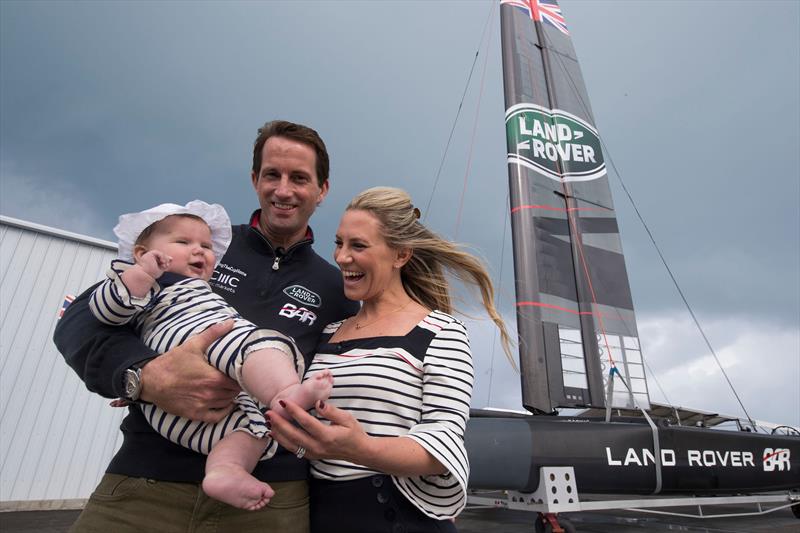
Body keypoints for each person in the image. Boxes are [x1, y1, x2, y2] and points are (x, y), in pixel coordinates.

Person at [53, 120, 359, 532]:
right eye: (272, 174)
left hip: (268, 495)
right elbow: (78, 324)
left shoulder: (338, 288)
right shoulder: (189, 245)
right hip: (146, 484)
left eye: (299, 178)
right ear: (255, 179)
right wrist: (143, 375)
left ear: (322, 190)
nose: (283, 190)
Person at [267, 186, 515, 533]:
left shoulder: (441, 332)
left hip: (398, 516)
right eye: (339, 243)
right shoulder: (328, 332)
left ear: (400, 255)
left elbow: (442, 444)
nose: (341, 257)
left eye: (358, 245)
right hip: (319, 513)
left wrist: (361, 448)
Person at [89, 200, 333, 511]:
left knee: (252, 431)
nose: (199, 250)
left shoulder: (329, 281)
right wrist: (142, 273)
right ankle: (286, 394)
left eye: (205, 245)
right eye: (183, 242)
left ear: (321, 189)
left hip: (202, 415)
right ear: (139, 252)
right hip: (189, 346)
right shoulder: (139, 282)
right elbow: (99, 313)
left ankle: (225, 471)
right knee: (259, 343)